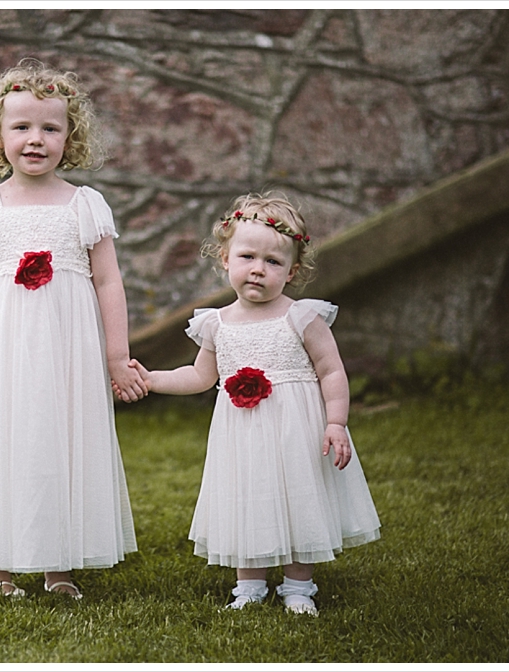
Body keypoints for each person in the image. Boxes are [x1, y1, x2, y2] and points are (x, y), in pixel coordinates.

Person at [0, 60, 146, 600]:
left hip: (67, 349)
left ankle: (57, 563)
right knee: (3, 439)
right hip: (3, 347)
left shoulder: (85, 205)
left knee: (59, 440)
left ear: (71, 137)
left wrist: (117, 356)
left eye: (50, 128)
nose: (35, 139)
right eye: (21, 127)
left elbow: (108, 282)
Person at [127, 193, 380, 615]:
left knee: (299, 495)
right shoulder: (216, 323)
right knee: (247, 497)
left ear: (293, 271)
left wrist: (335, 422)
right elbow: (200, 376)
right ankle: (250, 585)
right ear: (225, 259)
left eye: (274, 262)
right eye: (247, 256)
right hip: (241, 435)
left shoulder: (302, 318)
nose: (259, 269)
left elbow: (331, 371)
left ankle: (299, 586)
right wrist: (153, 379)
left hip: (296, 428)